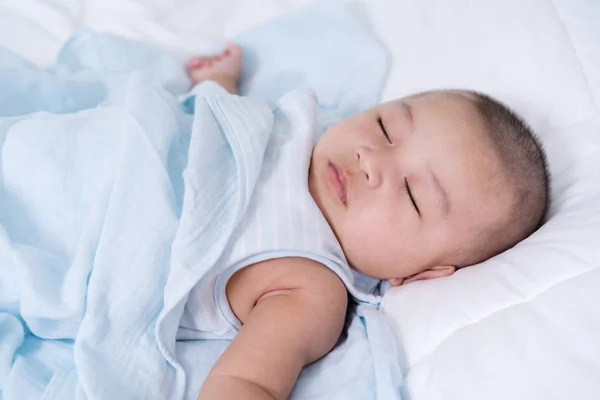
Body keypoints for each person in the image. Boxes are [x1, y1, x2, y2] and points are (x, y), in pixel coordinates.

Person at [185, 43, 550, 400]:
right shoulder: (294, 131)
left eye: (411, 194)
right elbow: (216, 130)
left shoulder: (307, 286)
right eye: (385, 128)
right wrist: (218, 87)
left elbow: (247, 382)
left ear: (418, 273)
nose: (369, 160)